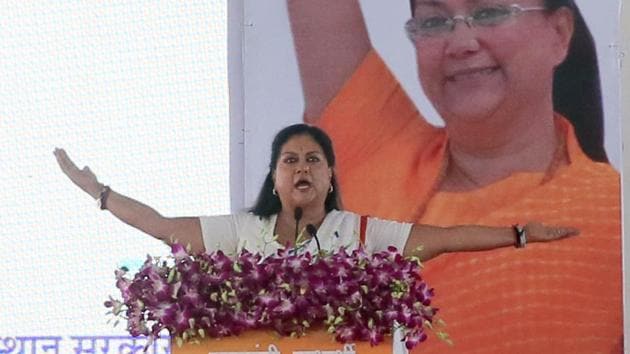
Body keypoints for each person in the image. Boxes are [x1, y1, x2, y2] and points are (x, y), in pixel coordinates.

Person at [55, 124, 576, 352]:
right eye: (290, 160)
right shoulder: (243, 232)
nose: (301, 168)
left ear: (330, 176)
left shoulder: (358, 233)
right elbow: (164, 227)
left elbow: (443, 237)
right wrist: (98, 192)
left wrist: (519, 234)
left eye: (313, 160)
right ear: (274, 177)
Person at [287, 0, 621, 353]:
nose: (462, 43)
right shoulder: (376, 152)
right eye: (434, 22)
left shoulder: (613, 214)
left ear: (559, 32)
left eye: (490, 13)